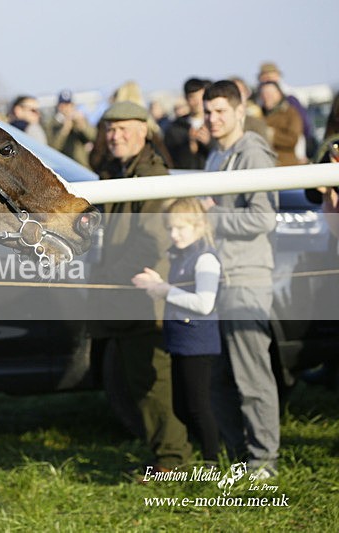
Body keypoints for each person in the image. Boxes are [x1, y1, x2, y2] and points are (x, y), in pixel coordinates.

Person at [88, 101, 192, 475]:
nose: (114, 136)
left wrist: (108, 275)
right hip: (127, 295)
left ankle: (173, 460)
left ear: (144, 131)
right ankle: (168, 454)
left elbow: (151, 241)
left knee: (153, 384)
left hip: (146, 297)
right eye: (110, 129)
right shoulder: (120, 171)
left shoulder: (151, 175)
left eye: (123, 128)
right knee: (141, 382)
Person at [201, 80, 279, 479]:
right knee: (220, 382)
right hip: (218, 279)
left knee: (252, 377)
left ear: (239, 110)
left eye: (219, 111)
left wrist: (212, 215)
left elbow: (263, 217)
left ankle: (264, 463)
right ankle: (240, 457)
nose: (212, 119)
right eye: (208, 112)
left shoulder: (252, 152)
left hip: (246, 277)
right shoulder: (215, 154)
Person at [132, 198, 222, 463]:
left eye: (181, 228)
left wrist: (164, 290)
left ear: (198, 225)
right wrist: (158, 284)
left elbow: (204, 304)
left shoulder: (205, 258)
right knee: (182, 407)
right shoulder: (180, 255)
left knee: (198, 406)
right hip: (180, 341)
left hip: (198, 344)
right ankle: (200, 457)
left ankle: (212, 461)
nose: (174, 234)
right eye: (170, 228)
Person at [257, 61, 317, 159]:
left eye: (270, 76)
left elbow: (302, 127)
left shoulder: (290, 100)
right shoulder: (258, 102)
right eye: (265, 76)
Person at [164, 78, 213, 170]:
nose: (198, 102)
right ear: (186, 99)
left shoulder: (214, 123)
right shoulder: (175, 128)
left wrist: (209, 143)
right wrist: (189, 144)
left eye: (201, 97)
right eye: (193, 97)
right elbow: (170, 159)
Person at [45, 89, 97, 169]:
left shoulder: (81, 119)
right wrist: (64, 130)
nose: (66, 108)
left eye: (69, 105)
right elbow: (53, 148)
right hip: (63, 167)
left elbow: (94, 137)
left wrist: (82, 125)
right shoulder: (52, 124)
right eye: (63, 105)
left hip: (83, 165)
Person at [258, 81, 304, 166]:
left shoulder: (290, 113)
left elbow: (292, 139)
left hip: (286, 164)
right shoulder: (258, 114)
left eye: (269, 94)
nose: (266, 97)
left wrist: (272, 134)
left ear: (279, 94)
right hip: (264, 164)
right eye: (263, 94)